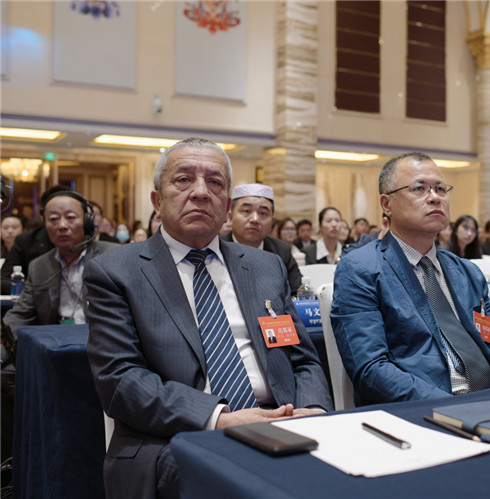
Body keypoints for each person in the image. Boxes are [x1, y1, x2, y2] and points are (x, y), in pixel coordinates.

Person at [85, 138, 332, 498]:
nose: (201, 192)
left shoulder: (265, 266)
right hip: (179, 436)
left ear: (227, 206)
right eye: (183, 180)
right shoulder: (116, 271)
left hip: (284, 421)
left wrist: (311, 410)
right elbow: (121, 379)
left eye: (215, 182)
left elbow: (302, 359)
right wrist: (219, 419)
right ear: (157, 201)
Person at [330, 151, 490, 406]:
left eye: (441, 189)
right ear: (386, 204)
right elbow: (372, 369)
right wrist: (452, 408)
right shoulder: (361, 270)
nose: (435, 197)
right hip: (424, 409)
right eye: (419, 188)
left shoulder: (467, 272)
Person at [4, 191, 118, 336]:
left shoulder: (113, 256)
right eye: (53, 219)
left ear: (87, 221)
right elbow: (20, 315)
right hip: (57, 343)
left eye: (71, 217)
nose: (62, 225)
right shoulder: (39, 266)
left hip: (103, 342)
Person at [223, 183, 302, 295]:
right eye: (246, 211)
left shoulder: (281, 250)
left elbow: (297, 291)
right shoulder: (216, 247)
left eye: (263, 213)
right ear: (230, 217)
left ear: (272, 222)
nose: (255, 219)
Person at [0, 184, 67, 294]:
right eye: (55, 217)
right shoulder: (26, 241)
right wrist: (36, 293)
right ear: (43, 215)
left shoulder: (87, 242)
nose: (63, 224)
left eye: (70, 216)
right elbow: (3, 280)